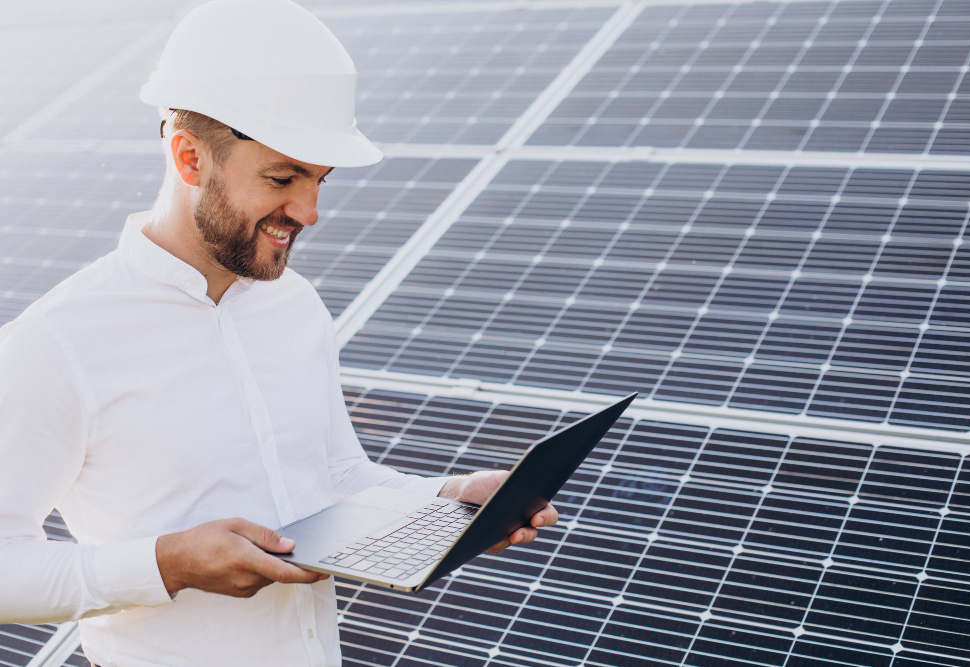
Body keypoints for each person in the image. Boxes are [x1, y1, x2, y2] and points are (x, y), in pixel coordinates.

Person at [0, 1, 557, 665]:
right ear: (188, 158)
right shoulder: (56, 343)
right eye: (282, 177)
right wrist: (168, 563)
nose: (310, 211)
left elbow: (336, 479)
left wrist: (449, 500)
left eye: (319, 179)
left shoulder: (294, 306)